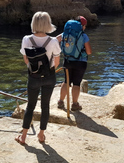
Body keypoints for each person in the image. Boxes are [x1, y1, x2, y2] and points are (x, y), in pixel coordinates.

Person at [15, 11, 61, 145]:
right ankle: (41, 135)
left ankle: (23, 137)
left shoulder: (26, 39)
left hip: (33, 77)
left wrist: (34, 69)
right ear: (48, 24)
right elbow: (57, 63)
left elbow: (26, 60)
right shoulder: (53, 41)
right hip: (49, 77)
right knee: (45, 105)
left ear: (33, 23)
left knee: (30, 106)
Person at [56, 16, 92, 111]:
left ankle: (60, 101)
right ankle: (74, 104)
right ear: (82, 26)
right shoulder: (83, 36)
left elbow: (55, 40)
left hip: (67, 61)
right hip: (80, 62)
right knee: (76, 83)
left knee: (66, 82)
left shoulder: (65, 34)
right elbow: (89, 52)